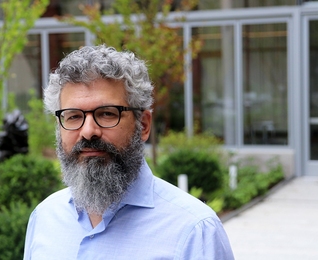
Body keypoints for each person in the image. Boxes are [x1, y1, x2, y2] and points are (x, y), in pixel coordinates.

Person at [23, 45, 234, 260]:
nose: (88, 132)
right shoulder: (45, 218)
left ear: (142, 125)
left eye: (106, 114)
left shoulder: (194, 231)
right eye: (74, 116)